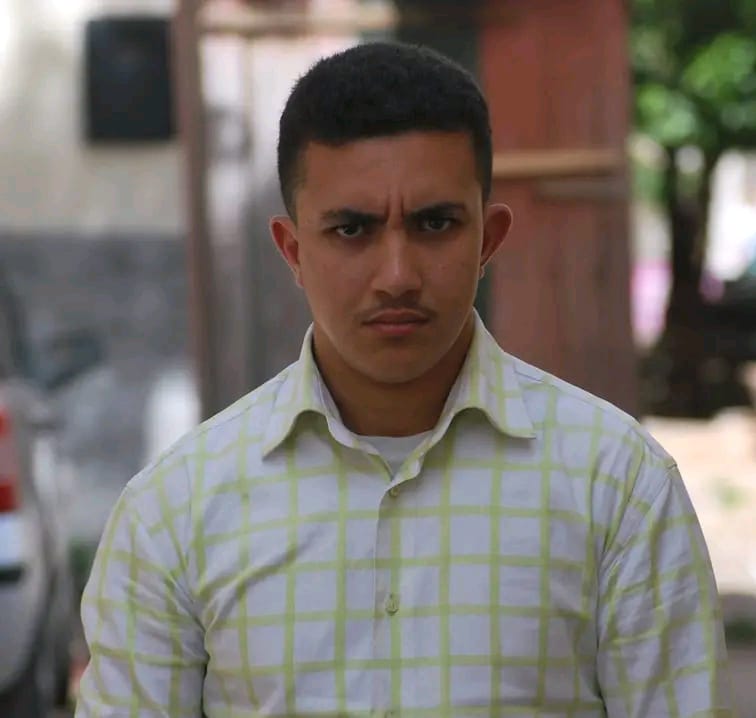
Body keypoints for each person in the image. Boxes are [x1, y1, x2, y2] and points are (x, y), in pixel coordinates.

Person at [75, 42, 733, 717]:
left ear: (488, 239)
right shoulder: (175, 510)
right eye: (352, 229)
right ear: (293, 250)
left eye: (435, 224)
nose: (397, 275)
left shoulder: (617, 485)